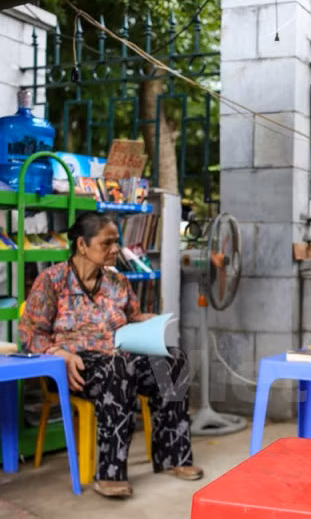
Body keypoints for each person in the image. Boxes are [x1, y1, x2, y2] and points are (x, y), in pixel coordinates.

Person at [19, 212, 202, 498]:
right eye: (107, 244)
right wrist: (60, 354)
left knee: (173, 361)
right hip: (72, 367)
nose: (115, 249)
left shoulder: (117, 282)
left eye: (116, 242)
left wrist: (148, 322)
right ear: (82, 245)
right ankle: (110, 474)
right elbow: (30, 334)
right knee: (118, 367)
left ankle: (174, 457)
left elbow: (131, 317)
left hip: (119, 358)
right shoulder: (52, 281)